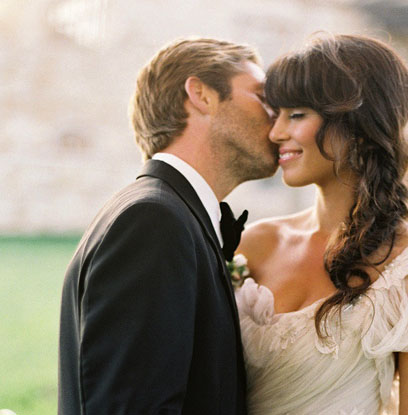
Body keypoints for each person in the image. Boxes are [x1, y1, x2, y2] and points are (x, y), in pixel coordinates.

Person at [235, 34, 408, 414]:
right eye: (277, 114)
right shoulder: (256, 243)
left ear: (357, 126)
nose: (276, 133)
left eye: (297, 115)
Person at [58, 37, 278, 414]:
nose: (276, 116)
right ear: (201, 95)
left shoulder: (171, 215)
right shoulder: (152, 222)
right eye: (261, 96)